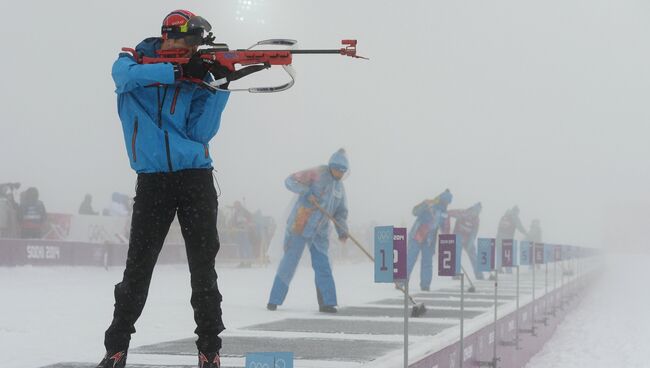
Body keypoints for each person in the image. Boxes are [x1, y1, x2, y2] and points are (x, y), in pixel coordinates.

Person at [97, 9, 230, 368]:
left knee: (204, 270)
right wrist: (175, 71)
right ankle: (116, 348)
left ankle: (209, 350)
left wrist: (219, 87)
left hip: (195, 179)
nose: (191, 50)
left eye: (195, 46)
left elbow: (200, 133)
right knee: (137, 269)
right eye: (187, 43)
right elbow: (122, 78)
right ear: (170, 36)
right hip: (154, 182)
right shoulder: (133, 59)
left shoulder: (194, 70)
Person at [267, 149, 350, 313]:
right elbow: (290, 181)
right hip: (300, 224)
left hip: (320, 232)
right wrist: (306, 192)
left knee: (323, 265)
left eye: (342, 172)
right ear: (331, 166)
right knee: (289, 262)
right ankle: (274, 300)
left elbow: (340, 212)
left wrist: (343, 231)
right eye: (337, 170)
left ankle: (327, 302)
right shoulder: (317, 173)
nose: (339, 174)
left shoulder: (339, 188)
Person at [404, 189, 453, 291]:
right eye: (445, 201)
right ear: (441, 199)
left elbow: (445, 229)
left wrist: (447, 239)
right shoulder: (429, 203)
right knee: (411, 258)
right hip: (417, 235)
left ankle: (425, 284)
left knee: (427, 261)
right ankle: (402, 280)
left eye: (448, 202)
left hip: (429, 240)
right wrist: (423, 206)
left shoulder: (444, 213)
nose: (446, 204)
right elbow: (414, 211)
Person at [444, 202, 483, 279]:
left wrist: (470, 243)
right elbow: (448, 213)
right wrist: (446, 230)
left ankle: (479, 274)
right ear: (472, 209)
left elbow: (474, 232)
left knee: (473, 255)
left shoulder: (476, 219)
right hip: (458, 236)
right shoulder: (462, 212)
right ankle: (456, 274)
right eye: (475, 211)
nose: (475, 214)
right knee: (456, 255)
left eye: (478, 212)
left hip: (468, 238)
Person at [495, 206, 528, 274]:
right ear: (516, 211)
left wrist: (497, 238)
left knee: (499, 253)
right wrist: (526, 233)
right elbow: (519, 226)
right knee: (507, 253)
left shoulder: (504, 217)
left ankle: (499, 269)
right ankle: (508, 270)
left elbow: (499, 228)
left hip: (499, 237)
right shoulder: (514, 217)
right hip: (507, 238)